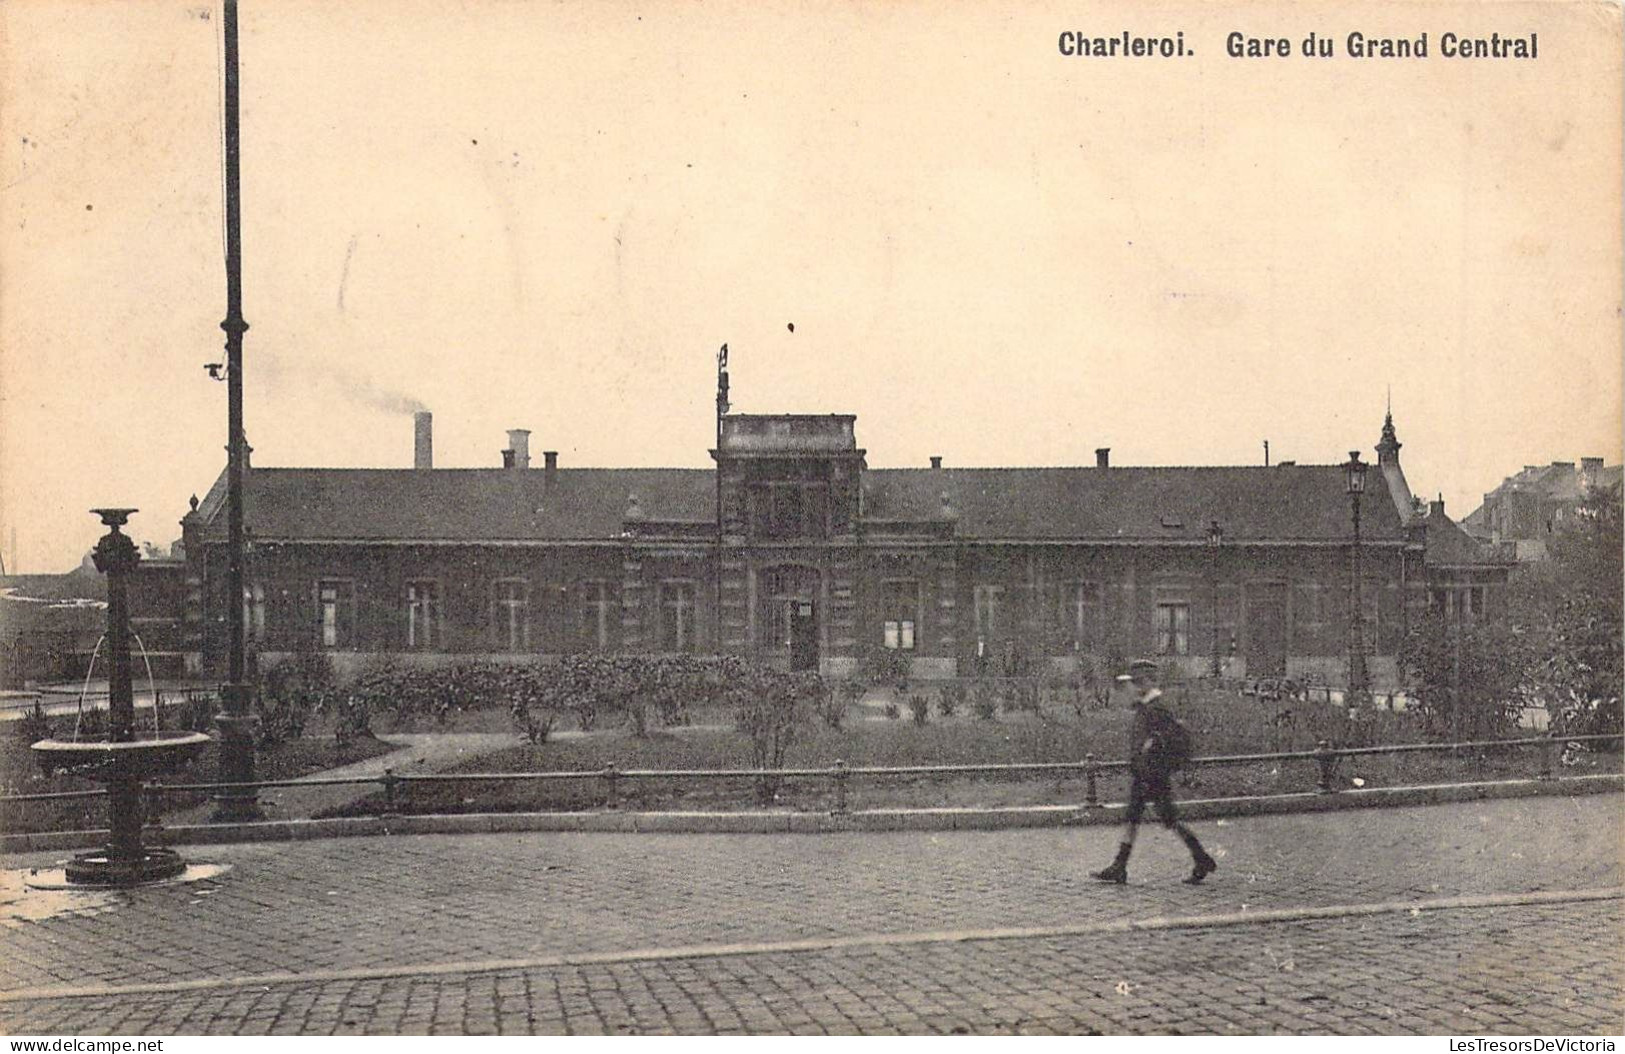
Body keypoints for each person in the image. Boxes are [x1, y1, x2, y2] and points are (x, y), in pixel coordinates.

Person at [1091, 659, 1218, 885]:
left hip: (1153, 775)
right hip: (1144, 774)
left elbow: (1164, 739)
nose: (1137, 686)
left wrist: (1150, 749)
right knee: (1134, 818)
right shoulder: (1146, 706)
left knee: (1169, 820)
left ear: (1150, 681)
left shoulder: (1156, 707)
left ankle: (1201, 857)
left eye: (1140, 682)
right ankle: (1119, 867)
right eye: (1136, 682)